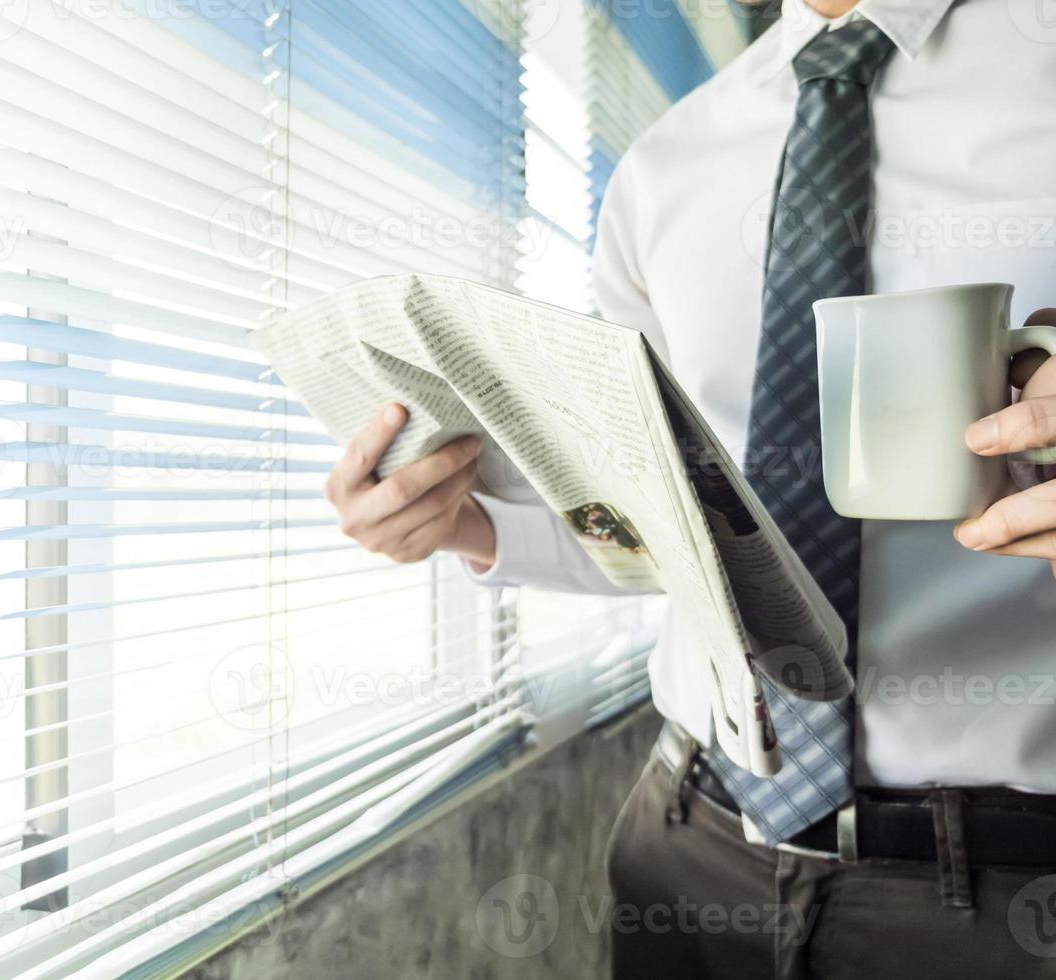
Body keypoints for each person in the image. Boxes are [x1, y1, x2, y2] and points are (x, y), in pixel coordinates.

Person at [321, 0, 1056, 975]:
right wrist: (467, 525)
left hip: (1004, 891)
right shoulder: (667, 166)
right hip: (688, 844)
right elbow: (659, 532)